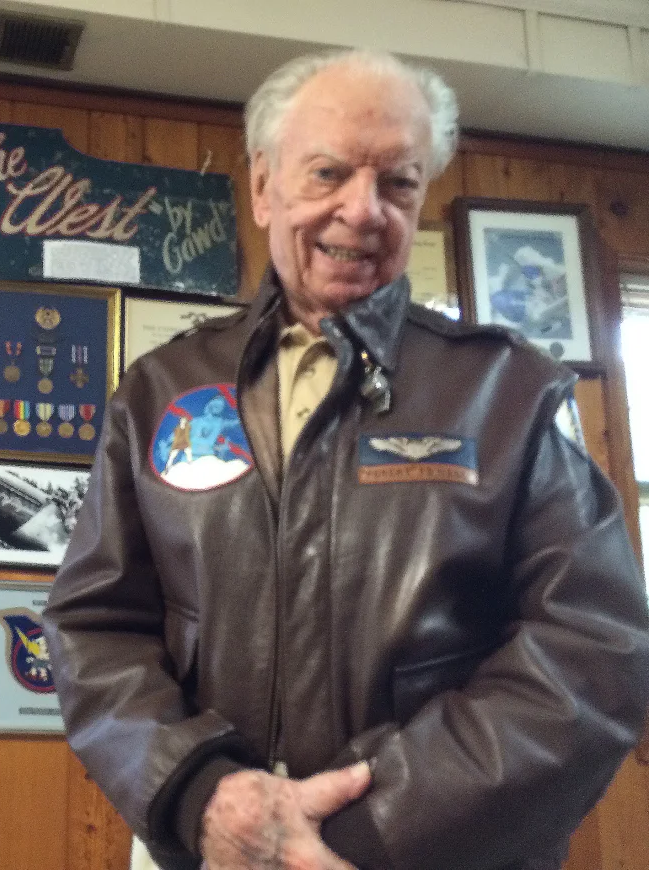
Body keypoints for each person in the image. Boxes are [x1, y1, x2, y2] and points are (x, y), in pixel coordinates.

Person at [43, 48, 649, 870]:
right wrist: (199, 796)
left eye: (398, 182)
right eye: (328, 173)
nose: (363, 211)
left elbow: (592, 654)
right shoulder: (160, 389)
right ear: (264, 186)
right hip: (207, 843)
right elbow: (94, 626)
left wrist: (358, 831)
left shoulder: (509, 392)